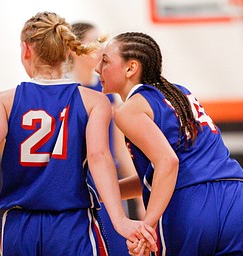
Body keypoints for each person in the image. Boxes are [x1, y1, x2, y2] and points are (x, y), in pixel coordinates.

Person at [0, 14, 158, 255]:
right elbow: (99, 156)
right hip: (71, 223)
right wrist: (120, 219)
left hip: (19, 225)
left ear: (26, 49)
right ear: (68, 51)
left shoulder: (4, 101)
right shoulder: (94, 101)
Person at [95, 31, 243, 256]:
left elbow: (168, 163)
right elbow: (163, 172)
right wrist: (106, 191)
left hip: (189, 205)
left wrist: (148, 225)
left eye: (105, 60)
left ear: (130, 68)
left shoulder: (129, 110)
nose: (98, 68)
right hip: (239, 197)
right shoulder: (180, 93)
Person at [68, 22, 144, 256]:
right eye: (95, 42)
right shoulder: (64, 94)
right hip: (74, 188)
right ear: (74, 49)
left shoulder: (107, 94)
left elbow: (121, 150)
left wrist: (141, 198)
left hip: (107, 186)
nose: (102, 49)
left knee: (116, 248)